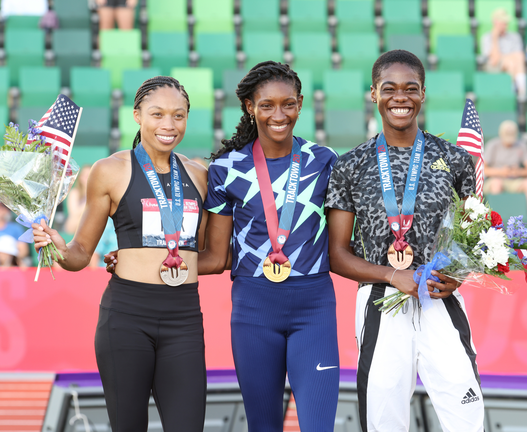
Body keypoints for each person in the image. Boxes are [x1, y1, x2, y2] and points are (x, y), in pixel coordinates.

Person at [107, 61, 342, 431]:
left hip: (314, 307)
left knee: (318, 426)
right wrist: (142, 260)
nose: (279, 115)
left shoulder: (324, 161)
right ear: (249, 107)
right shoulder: (225, 169)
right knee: (262, 426)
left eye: (288, 104)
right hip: (253, 309)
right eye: (267, 105)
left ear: (300, 104)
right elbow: (215, 257)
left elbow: (345, 242)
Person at [32, 76, 210, 431]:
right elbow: (81, 253)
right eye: (157, 114)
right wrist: (59, 248)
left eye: (178, 115)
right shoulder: (109, 170)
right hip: (127, 317)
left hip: (184, 318)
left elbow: (204, 254)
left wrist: (148, 257)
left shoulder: (199, 175)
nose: (169, 125)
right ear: (137, 115)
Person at [325, 50, 484, 432]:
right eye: (389, 88)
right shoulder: (351, 164)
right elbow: (337, 254)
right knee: (384, 422)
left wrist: (458, 274)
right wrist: (392, 276)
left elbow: (475, 232)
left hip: (440, 299)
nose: (401, 97)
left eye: (411, 88)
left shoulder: (455, 159)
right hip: (381, 303)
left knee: (466, 419)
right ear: (373, 93)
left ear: (423, 93)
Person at [483, 120, 527, 212]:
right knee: (496, 184)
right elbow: (483, 169)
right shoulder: (492, 145)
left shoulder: (522, 145)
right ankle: (496, 215)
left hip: (516, 180)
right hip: (497, 179)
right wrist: (500, 172)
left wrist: (518, 172)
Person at [480, 8, 527, 97]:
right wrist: (495, 38)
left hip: (512, 65)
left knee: (515, 60)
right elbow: (494, 61)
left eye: (506, 22)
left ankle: (521, 91)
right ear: (495, 22)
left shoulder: (515, 36)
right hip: (494, 67)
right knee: (511, 62)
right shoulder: (486, 37)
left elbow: (519, 57)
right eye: (503, 22)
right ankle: (515, 93)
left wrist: (505, 57)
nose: (505, 25)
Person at [62, 164, 91, 236]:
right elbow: (74, 212)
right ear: (80, 177)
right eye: (85, 175)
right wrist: (91, 199)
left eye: (90, 175)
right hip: (73, 228)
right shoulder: (75, 192)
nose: (87, 178)